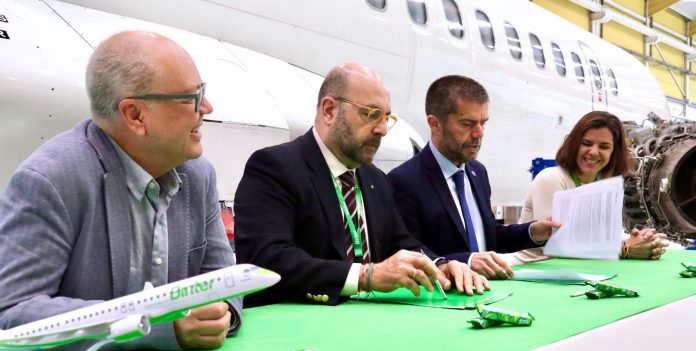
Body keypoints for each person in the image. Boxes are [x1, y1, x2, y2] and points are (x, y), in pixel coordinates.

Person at [0, 31, 241, 351]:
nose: (207, 108)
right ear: (135, 115)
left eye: (203, 92)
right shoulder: (50, 180)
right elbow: (13, 312)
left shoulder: (198, 174)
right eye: (190, 98)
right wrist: (154, 328)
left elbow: (223, 281)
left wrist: (220, 314)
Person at [234, 63, 488, 307]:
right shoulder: (274, 167)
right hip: (295, 327)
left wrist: (440, 266)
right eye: (372, 114)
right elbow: (268, 260)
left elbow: (401, 243)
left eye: (386, 117)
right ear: (329, 110)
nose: (383, 129)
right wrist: (365, 276)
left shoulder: (375, 179)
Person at [388, 75, 559, 279]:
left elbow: (489, 235)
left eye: (483, 123)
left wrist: (532, 232)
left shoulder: (477, 172)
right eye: (467, 124)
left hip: (488, 290)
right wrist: (467, 261)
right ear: (435, 124)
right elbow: (407, 253)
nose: (479, 133)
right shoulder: (404, 180)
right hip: (445, 295)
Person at [510, 110, 666, 264]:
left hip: (581, 269)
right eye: (586, 143)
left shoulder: (604, 183)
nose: (593, 152)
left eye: (604, 146)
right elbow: (555, 243)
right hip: (533, 268)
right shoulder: (551, 178)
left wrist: (643, 240)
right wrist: (624, 248)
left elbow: (607, 236)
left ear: (614, 152)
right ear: (574, 145)